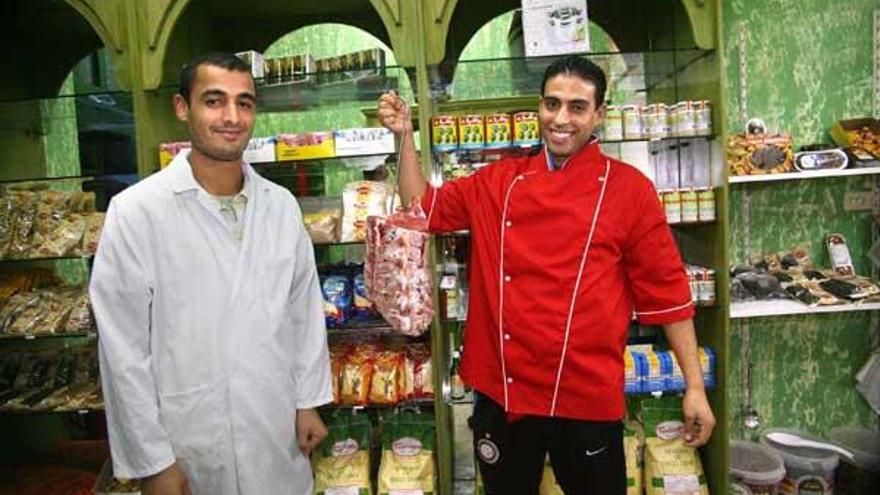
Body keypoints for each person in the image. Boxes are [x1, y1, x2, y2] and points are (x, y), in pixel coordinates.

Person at [377, 55, 715, 494]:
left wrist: (694, 386)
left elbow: (668, 293)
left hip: (586, 394)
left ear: (599, 115)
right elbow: (423, 206)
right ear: (539, 107)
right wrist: (405, 137)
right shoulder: (499, 181)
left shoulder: (629, 190)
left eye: (577, 107)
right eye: (552, 104)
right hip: (504, 392)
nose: (561, 119)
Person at [91, 52, 333, 495]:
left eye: (245, 103)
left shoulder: (280, 205)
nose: (232, 117)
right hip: (187, 437)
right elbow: (122, 350)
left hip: (273, 429)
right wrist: (153, 461)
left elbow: (302, 313)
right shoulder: (138, 211)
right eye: (214, 101)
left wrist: (307, 402)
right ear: (183, 108)